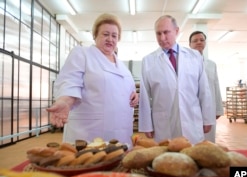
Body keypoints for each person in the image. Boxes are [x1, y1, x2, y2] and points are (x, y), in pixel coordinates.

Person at [46, 13, 138, 147]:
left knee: (117, 161)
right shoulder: (82, 54)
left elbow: (124, 87)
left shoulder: (122, 65)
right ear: (95, 35)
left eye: (114, 36)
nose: (110, 39)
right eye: (105, 34)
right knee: (89, 162)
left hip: (120, 130)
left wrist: (134, 94)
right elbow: (70, 81)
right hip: (90, 130)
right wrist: (65, 101)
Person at [138, 15, 215, 145]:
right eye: (158, 33)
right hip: (164, 123)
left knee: (192, 159)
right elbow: (144, 96)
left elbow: (204, 90)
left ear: (176, 31)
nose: (162, 38)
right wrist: (146, 125)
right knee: (167, 160)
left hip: (192, 119)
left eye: (166, 32)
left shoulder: (194, 56)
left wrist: (207, 119)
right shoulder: (148, 61)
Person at [189, 31, 224, 142]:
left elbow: (216, 85)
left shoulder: (211, 64)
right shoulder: (184, 64)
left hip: (209, 107)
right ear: (190, 44)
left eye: (202, 40)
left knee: (208, 140)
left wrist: (218, 109)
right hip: (191, 107)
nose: (199, 42)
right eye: (195, 40)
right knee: (192, 139)